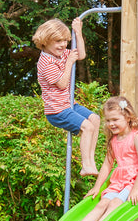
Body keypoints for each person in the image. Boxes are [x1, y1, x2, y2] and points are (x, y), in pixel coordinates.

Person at [61, 97, 138, 221]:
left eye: (115, 119)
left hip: (136, 178)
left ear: (128, 117)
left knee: (114, 203)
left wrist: (136, 189)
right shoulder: (114, 140)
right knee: (102, 203)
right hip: (121, 179)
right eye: (108, 120)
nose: (111, 124)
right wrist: (97, 186)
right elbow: (107, 165)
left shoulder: (137, 137)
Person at [32, 17, 100, 176]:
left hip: (69, 104)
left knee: (95, 119)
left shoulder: (62, 54)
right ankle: (86, 165)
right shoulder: (45, 62)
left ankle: (90, 160)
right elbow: (62, 84)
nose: (63, 45)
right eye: (57, 41)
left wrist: (78, 32)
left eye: (65, 41)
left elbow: (81, 55)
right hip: (56, 110)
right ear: (45, 41)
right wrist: (69, 62)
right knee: (87, 127)